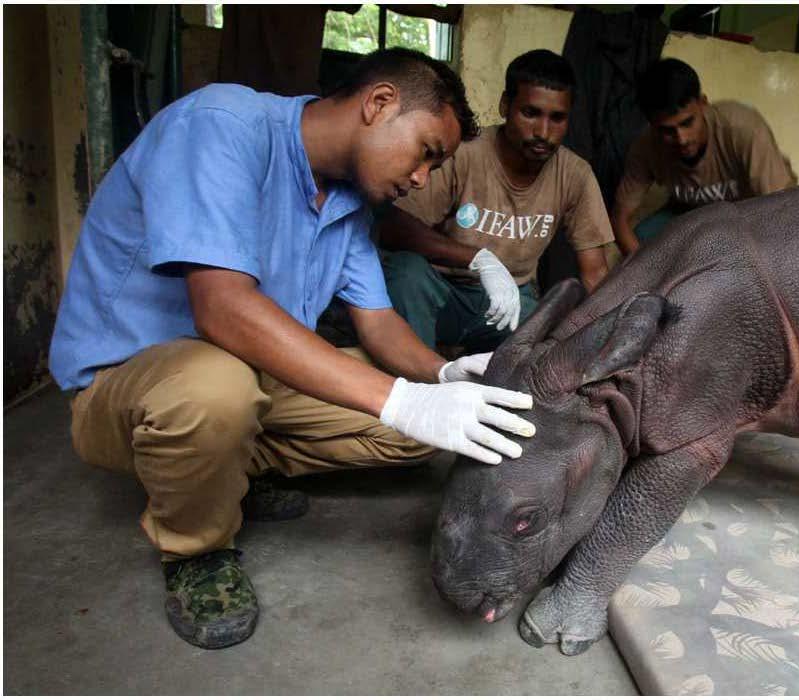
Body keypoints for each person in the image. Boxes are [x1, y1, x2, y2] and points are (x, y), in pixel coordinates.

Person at [48, 48, 538, 650]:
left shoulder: (350, 202)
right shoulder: (222, 126)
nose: (422, 179)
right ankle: (197, 549)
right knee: (216, 390)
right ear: (379, 103)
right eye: (427, 152)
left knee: (420, 432)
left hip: (247, 376)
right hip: (128, 385)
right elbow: (222, 308)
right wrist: (399, 399)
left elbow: (378, 321)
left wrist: (442, 376)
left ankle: (223, 470)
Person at [377, 49, 614, 353]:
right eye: (530, 113)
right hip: (443, 289)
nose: (543, 132)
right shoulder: (464, 152)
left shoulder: (575, 174)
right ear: (505, 106)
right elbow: (393, 227)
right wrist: (478, 258)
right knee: (407, 273)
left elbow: (594, 272)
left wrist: (606, 342)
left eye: (557, 118)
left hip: (510, 301)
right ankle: (416, 373)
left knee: (545, 326)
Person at [611, 58, 798, 256]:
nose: (682, 139)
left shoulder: (742, 128)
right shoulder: (645, 147)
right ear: (652, 124)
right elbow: (620, 219)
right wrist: (647, 269)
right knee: (642, 238)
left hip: (749, 213)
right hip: (693, 213)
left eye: (687, 122)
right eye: (667, 131)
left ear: (703, 104)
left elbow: (780, 212)